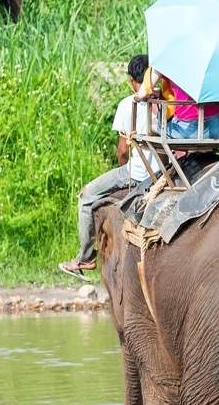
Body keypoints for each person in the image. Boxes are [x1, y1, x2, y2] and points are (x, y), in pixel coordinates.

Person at [58, 54, 162, 280]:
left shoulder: (129, 103)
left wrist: (124, 177)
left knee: (86, 196)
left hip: (139, 172)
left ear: (131, 79)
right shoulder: (167, 103)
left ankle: (84, 259)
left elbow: (123, 151)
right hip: (164, 170)